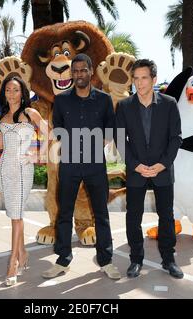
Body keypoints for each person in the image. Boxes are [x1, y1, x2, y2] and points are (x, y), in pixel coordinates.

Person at [42, 53, 121, 280]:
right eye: (75, 71)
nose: (79, 74)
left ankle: (106, 261)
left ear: (90, 71)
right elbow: (58, 128)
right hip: (69, 164)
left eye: (83, 70)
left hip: (95, 164)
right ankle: (62, 260)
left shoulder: (104, 100)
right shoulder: (62, 100)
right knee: (64, 213)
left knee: (101, 214)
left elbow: (110, 129)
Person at [115, 59, 184, 279]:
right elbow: (120, 138)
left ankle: (169, 259)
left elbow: (176, 138)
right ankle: (136, 259)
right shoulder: (124, 106)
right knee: (133, 216)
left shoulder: (170, 103)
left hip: (162, 169)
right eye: (135, 78)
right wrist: (136, 166)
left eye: (144, 77)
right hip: (136, 171)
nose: (139, 82)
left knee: (166, 216)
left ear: (153, 79)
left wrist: (162, 164)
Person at [0, 76, 48, 286]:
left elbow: (50, 133)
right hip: (5, 169)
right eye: (8, 90)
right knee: (15, 215)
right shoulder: (2, 117)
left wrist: (39, 156)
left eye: (15, 90)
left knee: (17, 216)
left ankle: (13, 262)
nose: (11, 94)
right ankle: (23, 253)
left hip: (23, 169)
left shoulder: (30, 113)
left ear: (22, 92)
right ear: (3, 93)